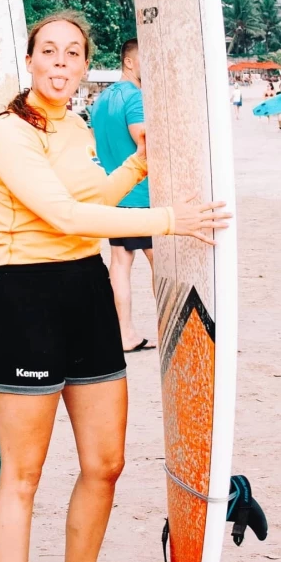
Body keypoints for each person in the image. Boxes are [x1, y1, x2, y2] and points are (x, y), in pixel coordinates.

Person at [0, 10, 231, 562]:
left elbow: (98, 197)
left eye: (73, 53)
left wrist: (144, 161)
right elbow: (65, 216)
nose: (61, 62)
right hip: (29, 298)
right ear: (30, 60)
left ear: (86, 66)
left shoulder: (76, 127)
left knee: (105, 462)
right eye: (49, 51)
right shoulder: (9, 130)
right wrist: (171, 220)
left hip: (87, 291)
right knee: (23, 474)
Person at [90, 39, 155, 353]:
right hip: (141, 195)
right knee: (164, 267)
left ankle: (124, 334)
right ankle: (171, 328)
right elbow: (146, 144)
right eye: (146, 59)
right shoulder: (136, 97)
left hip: (114, 193)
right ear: (130, 62)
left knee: (119, 264)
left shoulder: (102, 99)